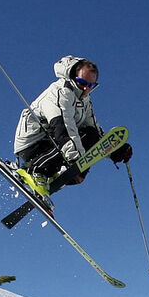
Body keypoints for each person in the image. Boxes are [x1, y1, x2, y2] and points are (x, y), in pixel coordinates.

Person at [11, 55, 131, 198]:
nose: (86, 89)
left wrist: (114, 149)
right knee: (78, 154)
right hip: (33, 143)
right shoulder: (59, 92)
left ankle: (50, 174)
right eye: (82, 83)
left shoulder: (84, 99)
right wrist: (77, 162)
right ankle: (35, 170)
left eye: (91, 86)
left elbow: (92, 128)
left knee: (90, 135)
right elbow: (63, 128)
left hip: (55, 140)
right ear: (72, 76)